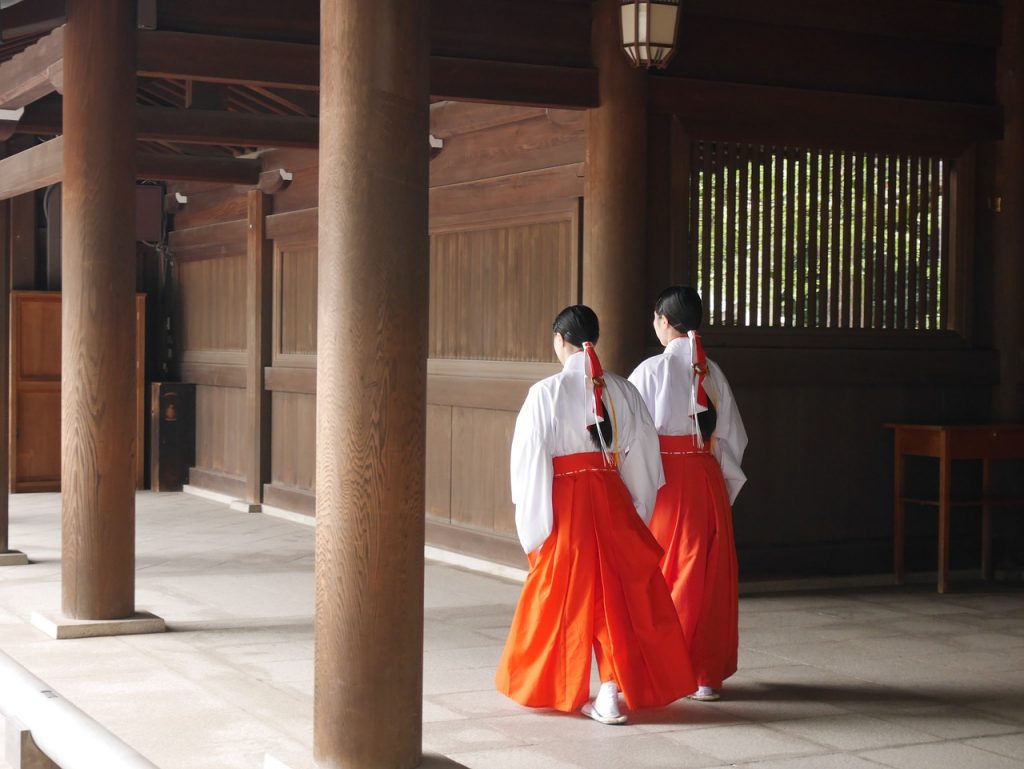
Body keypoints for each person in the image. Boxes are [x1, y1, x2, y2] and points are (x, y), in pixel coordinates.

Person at [495, 305, 695, 725]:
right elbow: (643, 458)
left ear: (558, 340)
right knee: (617, 598)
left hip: (565, 503)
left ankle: (565, 686)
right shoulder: (622, 389)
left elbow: (530, 463)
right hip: (612, 497)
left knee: (564, 594)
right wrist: (636, 510)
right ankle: (609, 689)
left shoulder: (545, 393)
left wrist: (534, 527)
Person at [628, 286, 748, 702]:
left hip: (667, 481)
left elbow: (633, 434)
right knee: (709, 576)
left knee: (668, 572)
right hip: (707, 476)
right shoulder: (711, 371)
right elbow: (733, 438)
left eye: (656, 318)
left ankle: (666, 668)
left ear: (663, 319)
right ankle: (706, 674)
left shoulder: (651, 371)